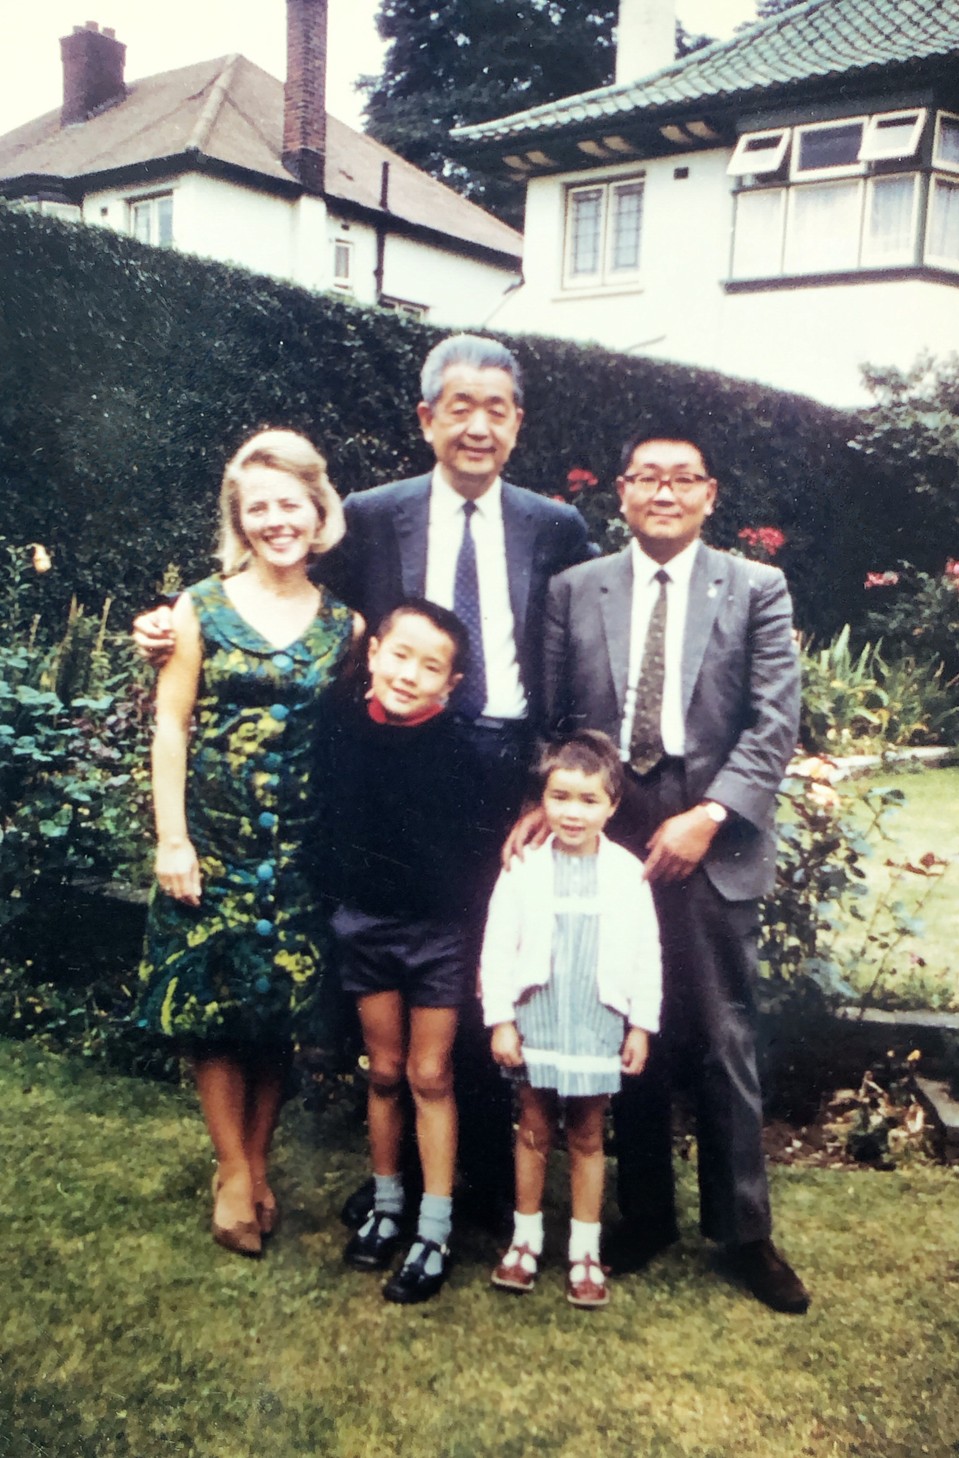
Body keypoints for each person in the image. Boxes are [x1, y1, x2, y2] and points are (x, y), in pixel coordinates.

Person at [134, 334, 597, 1229]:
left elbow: (574, 656)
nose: (477, 425)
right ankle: (412, 1184)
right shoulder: (377, 517)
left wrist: (551, 780)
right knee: (399, 968)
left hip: (504, 770)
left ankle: (486, 1185)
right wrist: (168, 623)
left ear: (518, 425)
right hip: (396, 769)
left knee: (484, 972)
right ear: (425, 419)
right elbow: (277, 587)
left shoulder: (556, 527)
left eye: (495, 409)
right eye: (457, 406)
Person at [530, 429, 810, 1314]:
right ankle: (644, 1216)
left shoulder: (755, 588)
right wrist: (559, 807)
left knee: (723, 1035)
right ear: (621, 491)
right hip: (608, 829)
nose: (664, 492)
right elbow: (550, 719)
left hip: (710, 826)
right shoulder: (577, 589)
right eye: (647, 477)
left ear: (710, 494)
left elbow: (774, 723)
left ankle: (745, 1234)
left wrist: (711, 813)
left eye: (682, 478)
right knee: (626, 1016)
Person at [137, 428, 360, 1257]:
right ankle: (233, 1171)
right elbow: (171, 721)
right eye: (257, 506)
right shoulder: (199, 608)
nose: (276, 520)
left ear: (317, 510)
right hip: (216, 841)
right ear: (241, 518)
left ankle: (257, 1162)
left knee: (278, 1013)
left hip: (301, 852)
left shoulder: (347, 626)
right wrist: (173, 839)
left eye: (289, 504)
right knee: (213, 1009)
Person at [321, 598, 486, 1304]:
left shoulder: (466, 754)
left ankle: (434, 1228)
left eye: (431, 666)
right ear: (374, 652)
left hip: (439, 938)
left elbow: (479, 859)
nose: (410, 674)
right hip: (365, 928)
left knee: (428, 1075)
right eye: (400, 655)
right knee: (383, 1071)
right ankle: (387, 1208)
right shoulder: (340, 731)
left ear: (451, 685)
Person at [481, 731, 661, 1309]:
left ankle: (585, 1250)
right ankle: (525, 1240)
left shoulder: (628, 873)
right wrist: (501, 1019)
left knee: (586, 1135)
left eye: (588, 800)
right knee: (533, 1129)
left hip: (596, 1019)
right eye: (560, 797)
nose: (573, 812)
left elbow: (646, 954)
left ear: (612, 805)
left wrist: (641, 1026)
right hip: (540, 1017)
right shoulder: (525, 866)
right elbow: (497, 947)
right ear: (543, 799)